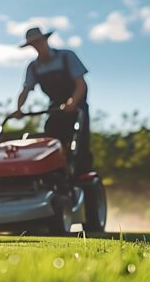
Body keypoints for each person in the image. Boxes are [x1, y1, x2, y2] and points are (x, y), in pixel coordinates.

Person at [9, 26, 93, 174]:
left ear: (45, 40)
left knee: (80, 146)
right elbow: (25, 90)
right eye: (33, 44)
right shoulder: (33, 67)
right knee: (50, 143)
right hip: (55, 108)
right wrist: (19, 109)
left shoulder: (66, 57)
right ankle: (54, 179)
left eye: (39, 42)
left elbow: (81, 84)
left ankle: (82, 181)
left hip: (77, 107)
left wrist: (72, 102)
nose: (37, 46)